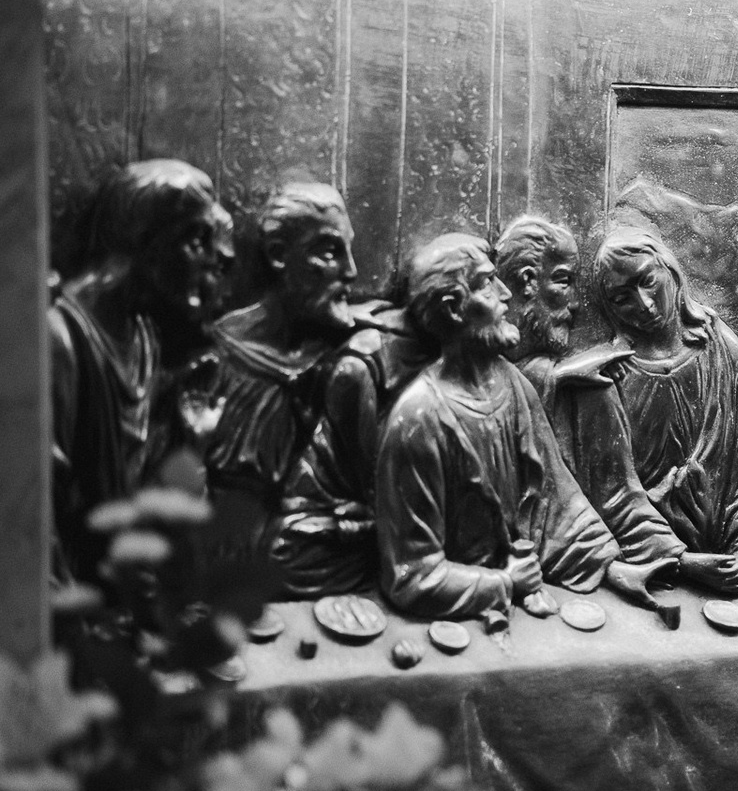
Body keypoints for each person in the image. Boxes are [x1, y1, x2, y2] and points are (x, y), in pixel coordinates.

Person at [373, 234, 656, 619]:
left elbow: (557, 502)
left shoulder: (512, 384)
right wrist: (503, 583)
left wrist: (612, 569)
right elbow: (412, 576)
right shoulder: (418, 419)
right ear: (453, 308)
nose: (507, 294)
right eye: (488, 283)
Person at [495, 216, 738, 595]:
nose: (575, 305)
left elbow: (602, 501)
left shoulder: (592, 384)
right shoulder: (464, 391)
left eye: (648, 281)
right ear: (528, 282)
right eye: (563, 281)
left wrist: (681, 558)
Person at [49, 160, 232, 584]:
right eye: (197, 240)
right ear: (146, 242)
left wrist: (192, 441)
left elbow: (141, 501)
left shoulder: (142, 337)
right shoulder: (61, 340)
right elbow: (35, 517)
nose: (212, 261)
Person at [592, 227, 738, 589]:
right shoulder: (612, 378)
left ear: (670, 270)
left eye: (648, 281)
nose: (644, 305)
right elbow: (607, 498)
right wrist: (674, 554)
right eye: (623, 298)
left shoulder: (718, 348)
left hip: (735, 569)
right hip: (653, 578)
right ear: (609, 307)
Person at [202, 183, 380, 593]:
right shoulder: (220, 356)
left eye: (349, 250)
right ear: (280, 255)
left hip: (305, 540)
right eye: (330, 251)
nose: (351, 271)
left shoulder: (343, 355)